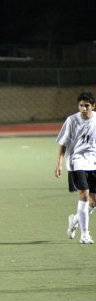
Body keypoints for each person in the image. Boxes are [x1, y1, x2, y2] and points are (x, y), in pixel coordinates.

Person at [55, 91, 96, 244]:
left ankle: (74, 221)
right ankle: (85, 234)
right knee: (84, 195)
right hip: (76, 161)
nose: (83, 109)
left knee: (93, 202)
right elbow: (63, 143)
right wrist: (59, 163)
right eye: (81, 106)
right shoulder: (72, 121)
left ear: (93, 106)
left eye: (87, 106)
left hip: (93, 162)